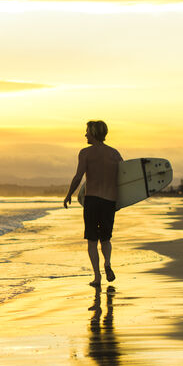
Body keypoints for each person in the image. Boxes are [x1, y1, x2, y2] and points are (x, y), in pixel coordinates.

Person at [63, 120, 123, 287]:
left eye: (87, 131)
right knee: (106, 238)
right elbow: (124, 177)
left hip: (93, 200)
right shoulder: (114, 154)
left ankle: (97, 277)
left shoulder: (85, 153)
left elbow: (78, 177)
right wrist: (120, 199)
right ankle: (108, 263)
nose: (85, 135)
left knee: (91, 240)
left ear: (94, 133)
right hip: (110, 200)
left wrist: (69, 194)